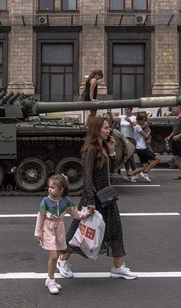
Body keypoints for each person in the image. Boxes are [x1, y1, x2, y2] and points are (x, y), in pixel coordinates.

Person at [57, 116, 137, 280]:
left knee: (115, 230)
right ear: (97, 130)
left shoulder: (103, 147)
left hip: (106, 197)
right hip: (93, 198)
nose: (109, 130)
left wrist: (112, 151)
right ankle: (62, 260)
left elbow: (110, 171)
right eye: (106, 127)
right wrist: (91, 201)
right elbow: (87, 177)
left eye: (108, 127)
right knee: (80, 232)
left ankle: (118, 267)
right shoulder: (91, 150)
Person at [34, 174, 92, 294]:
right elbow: (40, 217)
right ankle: (50, 280)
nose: (50, 189)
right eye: (49, 187)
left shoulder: (66, 201)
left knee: (57, 254)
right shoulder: (45, 201)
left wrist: (86, 215)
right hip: (47, 229)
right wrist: (38, 232)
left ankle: (49, 279)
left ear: (61, 190)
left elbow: (75, 214)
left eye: (53, 187)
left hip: (59, 228)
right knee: (54, 256)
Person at [128, 113, 161, 182]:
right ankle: (145, 173)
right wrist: (149, 131)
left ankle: (130, 174)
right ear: (140, 120)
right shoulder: (137, 127)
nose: (144, 122)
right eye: (144, 121)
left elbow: (134, 123)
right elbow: (145, 136)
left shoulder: (136, 125)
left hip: (139, 148)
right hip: (142, 148)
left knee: (145, 166)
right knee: (158, 159)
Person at [165, 105, 181, 182]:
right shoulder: (175, 118)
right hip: (174, 140)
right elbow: (174, 130)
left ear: (179, 108)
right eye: (172, 108)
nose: (173, 110)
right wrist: (169, 137)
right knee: (177, 157)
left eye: (174, 108)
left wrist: (179, 136)